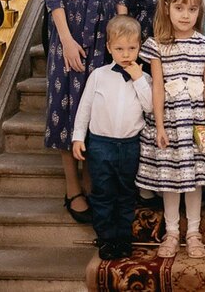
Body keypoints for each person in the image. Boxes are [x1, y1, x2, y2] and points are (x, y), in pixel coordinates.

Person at [44, 0, 128, 225]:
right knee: (69, 105)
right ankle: (72, 186)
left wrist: (121, 39)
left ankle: (94, 181)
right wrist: (66, 40)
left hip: (104, 32)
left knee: (96, 107)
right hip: (72, 30)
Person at [136, 0, 205, 259]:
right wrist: (160, 126)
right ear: (167, 8)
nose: (185, 15)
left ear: (199, 12)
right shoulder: (157, 45)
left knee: (196, 176)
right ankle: (171, 232)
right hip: (170, 122)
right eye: (179, 8)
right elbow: (157, 88)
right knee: (170, 178)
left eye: (192, 9)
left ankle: (193, 232)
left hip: (198, 122)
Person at [70, 15, 153, 261]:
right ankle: (106, 239)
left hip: (130, 145)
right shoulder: (98, 75)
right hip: (101, 144)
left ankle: (123, 239)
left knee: (126, 193)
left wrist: (138, 79)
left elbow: (150, 107)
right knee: (103, 193)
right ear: (109, 47)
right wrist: (78, 137)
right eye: (119, 48)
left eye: (132, 48)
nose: (126, 54)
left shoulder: (144, 78)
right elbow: (85, 107)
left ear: (139, 47)